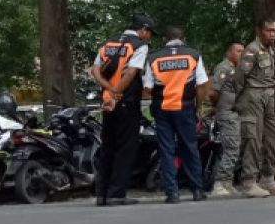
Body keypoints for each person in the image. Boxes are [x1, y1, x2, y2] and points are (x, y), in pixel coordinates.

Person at [88, 13, 156, 206]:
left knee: (108, 146)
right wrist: (117, 92)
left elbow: (95, 70)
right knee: (125, 148)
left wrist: (109, 91)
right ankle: (116, 193)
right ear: (143, 29)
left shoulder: (108, 43)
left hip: (107, 102)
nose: (149, 36)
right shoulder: (139, 45)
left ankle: (101, 193)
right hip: (126, 102)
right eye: (149, 32)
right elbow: (131, 73)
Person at [143, 26, 210, 204]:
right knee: (189, 147)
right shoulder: (193, 55)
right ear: (183, 38)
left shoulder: (153, 57)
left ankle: (172, 193)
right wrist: (198, 106)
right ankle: (197, 190)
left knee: (166, 149)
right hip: (186, 107)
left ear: (165, 39)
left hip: (162, 109)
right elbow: (202, 84)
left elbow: (147, 88)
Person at [234, 18, 275, 198]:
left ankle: (268, 178)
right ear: (260, 31)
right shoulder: (252, 49)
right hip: (253, 96)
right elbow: (240, 76)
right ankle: (249, 182)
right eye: (269, 30)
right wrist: (242, 99)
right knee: (253, 139)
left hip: (268, 97)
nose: (273, 34)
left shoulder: (269, 50)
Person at [208, 41, 244, 197]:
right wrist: (218, 106)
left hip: (233, 112)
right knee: (231, 147)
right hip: (226, 113)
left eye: (243, 51)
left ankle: (227, 182)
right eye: (238, 51)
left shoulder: (235, 69)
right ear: (229, 52)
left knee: (234, 148)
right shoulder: (224, 68)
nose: (241, 54)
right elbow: (214, 92)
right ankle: (219, 183)